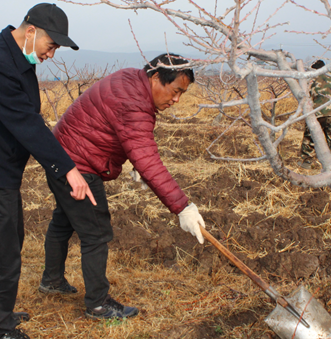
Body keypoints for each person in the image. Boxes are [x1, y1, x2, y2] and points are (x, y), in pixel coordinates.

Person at [0, 3, 96, 339]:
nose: (52, 53)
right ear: (31, 32)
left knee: (6, 244)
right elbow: (26, 123)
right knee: (3, 251)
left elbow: (28, 119)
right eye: (52, 45)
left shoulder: (13, 59)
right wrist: (68, 169)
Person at [38, 53, 206, 320]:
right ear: (155, 78)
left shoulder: (131, 78)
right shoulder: (134, 102)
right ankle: (97, 303)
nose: (176, 100)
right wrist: (182, 207)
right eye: (175, 91)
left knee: (63, 221)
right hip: (79, 166)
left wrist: (135, 161)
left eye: (182, 94)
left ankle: (52, 281)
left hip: (61, 157)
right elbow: (148, 157)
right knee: (96, 234)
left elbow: (117, 130)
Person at [298, 59, 331, 169]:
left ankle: (306, 163)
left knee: (309, 138)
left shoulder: (310, 77)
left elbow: (304, 95)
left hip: (318, 113)